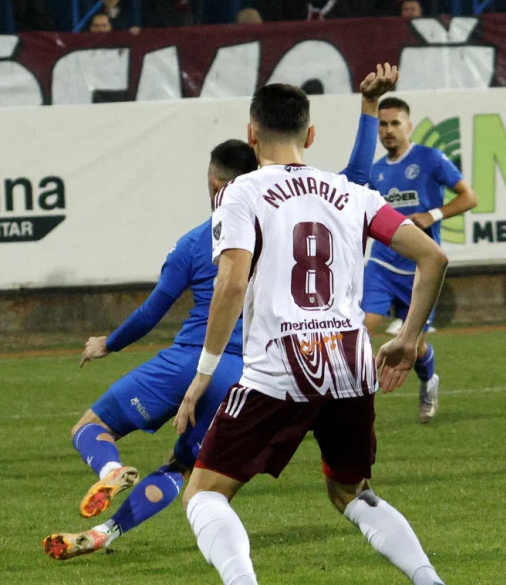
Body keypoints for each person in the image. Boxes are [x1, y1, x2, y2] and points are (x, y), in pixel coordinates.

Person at [41, 65, 400, 561]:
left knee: (90, 428)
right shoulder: (306, 204)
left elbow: (153, 310)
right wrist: (368, 108)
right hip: (254, 373)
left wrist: (110, 343)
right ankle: (107, 533)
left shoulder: (196, 239)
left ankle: (108, 470)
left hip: (194, 358)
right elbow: (357, 177)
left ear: (218, 180)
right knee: (188, 472)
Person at [175, 83, 449, 585]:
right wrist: (409, 338)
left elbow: (232, 283)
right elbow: (433, 256)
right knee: (352, 493)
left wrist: (204, 373)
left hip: (280, 369)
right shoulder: (353, 193)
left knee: (204, 493)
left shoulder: (243, 191)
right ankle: (429, 579)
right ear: (312, 134)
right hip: (350, 366)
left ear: (251, 135)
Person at [364, 97, 478, 423]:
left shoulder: (429, 159)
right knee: (361, 325)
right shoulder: (376, 171)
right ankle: (347, 400)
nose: (387, 130)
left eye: (394, 123)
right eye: (382, 124)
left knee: (414, 344)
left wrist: (433, 214)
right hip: (382, 264)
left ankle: (429, 381)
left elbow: (469, 196)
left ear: (408, 126)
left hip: (420, 268)